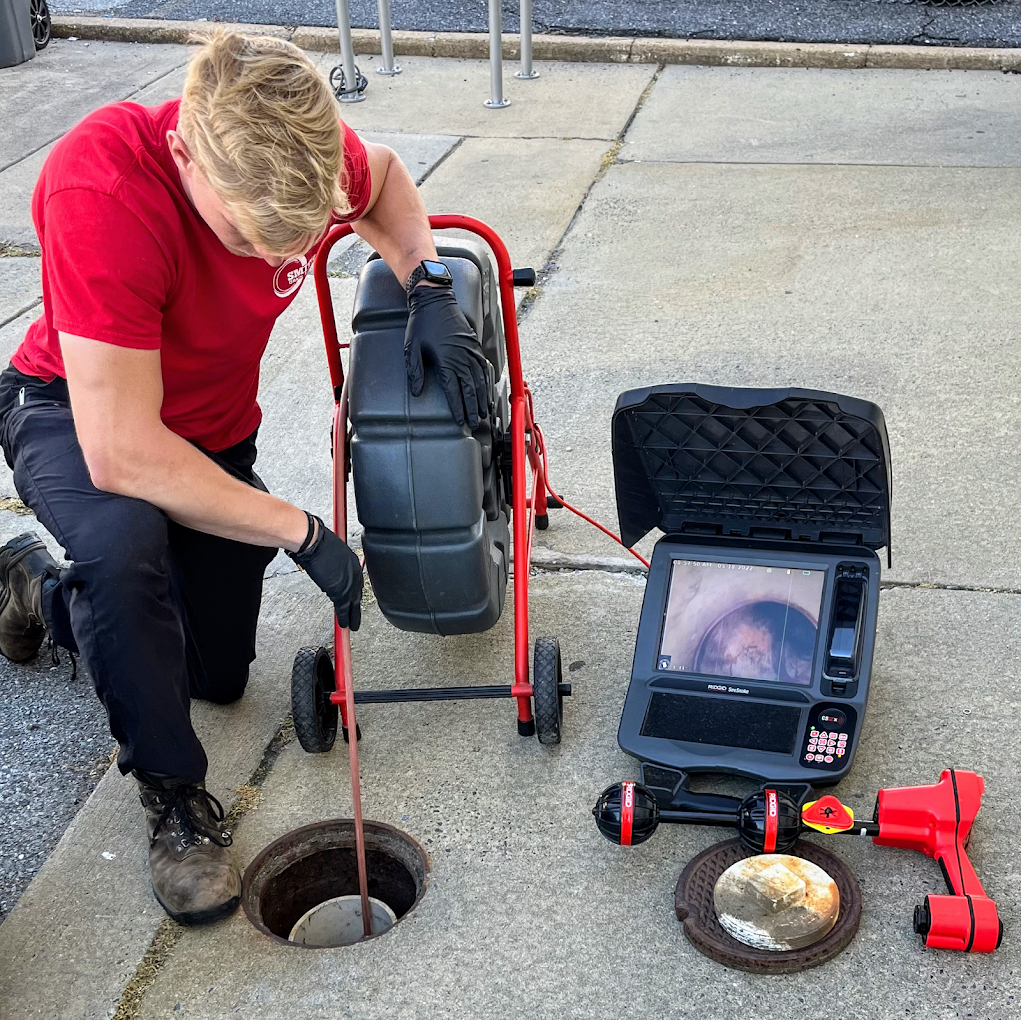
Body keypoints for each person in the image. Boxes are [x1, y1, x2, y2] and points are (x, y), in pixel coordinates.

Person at [0, 30, 489, 925]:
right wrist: (298, 530)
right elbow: (122, 453)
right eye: (251, 234)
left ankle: (35, 593)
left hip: (210, 432)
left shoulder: (290, 137)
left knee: (213, 674)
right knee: (120, 548)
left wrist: (426, 287)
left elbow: (378, 178)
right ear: (186, 149)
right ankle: (176, 806)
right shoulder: (100, 186)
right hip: (76, 414)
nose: (277, 257)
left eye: (296, 238)